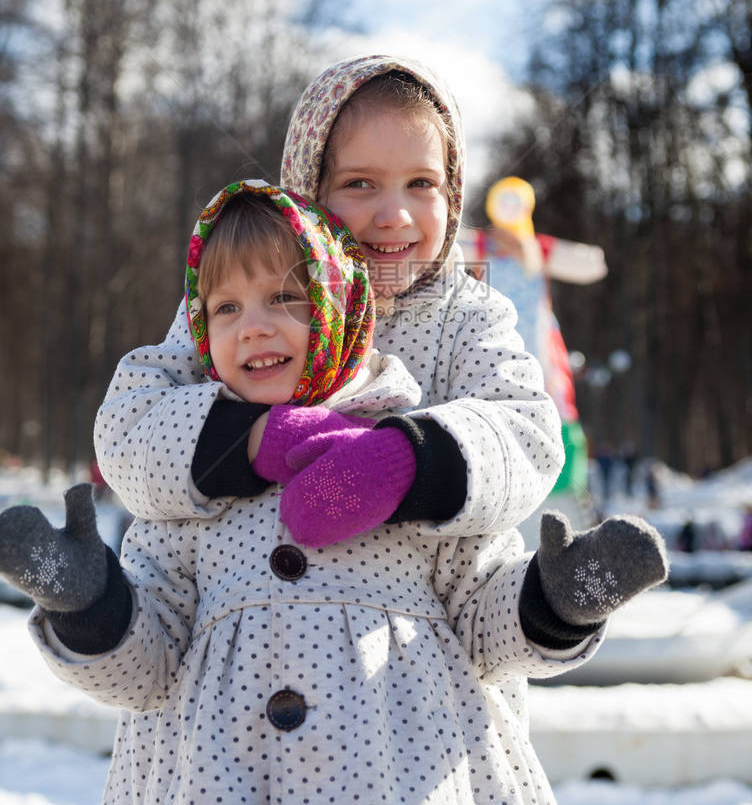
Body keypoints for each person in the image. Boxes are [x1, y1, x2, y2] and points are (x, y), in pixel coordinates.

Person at [0, 181, 668, 804]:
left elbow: (482, 618)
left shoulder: (409, 464)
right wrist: (91, 605)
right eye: (226, 307)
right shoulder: (191, 493)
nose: (252, 326)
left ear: (340, 302)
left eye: (285, 298)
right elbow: (148, 665)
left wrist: (554, 602)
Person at [93, 56, 571, 537]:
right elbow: (128, 428)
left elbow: (528, 434)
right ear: (308, 190)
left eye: (421, 184)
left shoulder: (468, 315)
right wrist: (256, 440)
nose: (395, 215)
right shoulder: (239, 299)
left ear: (452, 193)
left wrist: (405, 462)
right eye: (359, 183)